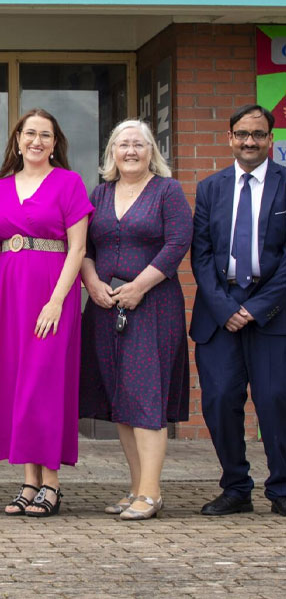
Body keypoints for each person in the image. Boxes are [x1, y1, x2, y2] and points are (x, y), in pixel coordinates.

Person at [0, 108, 92, 518]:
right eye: (30, 134)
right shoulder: (1, 188)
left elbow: (77, 248)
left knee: (43, 382)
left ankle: (52, 484)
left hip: (50, 290)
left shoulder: (69, 183)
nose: (36, 141)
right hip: (8, 294)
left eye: (45, 135)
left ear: (55, 142)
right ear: (18, 139)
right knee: (17, 382)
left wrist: (59, 300)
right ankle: (29, 482)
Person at [79, 120, 193, 520]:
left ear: (151, 152)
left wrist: (140, 286)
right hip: (105, 306)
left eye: (138, 145)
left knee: (146, 398)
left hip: (153, 306)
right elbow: (87, 247)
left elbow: (178, 242)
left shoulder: (167, 191)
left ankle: (152, 491)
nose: (130, 151)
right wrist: (91, 283)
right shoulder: (101, 192)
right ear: (112, 152)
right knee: (121, 400)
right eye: (123, 144)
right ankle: (135, 487)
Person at [190, 104, 286, 518]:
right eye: (242, 134)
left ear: (270, 138)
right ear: (229, 137)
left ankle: (281, 489)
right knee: (219, 400)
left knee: (275, 400)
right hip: (219, 314)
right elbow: (201, 254)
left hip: (273, 314)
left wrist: (255, 308)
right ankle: (235, 487)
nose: (250, 141)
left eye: (259, 134)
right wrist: (226, 307)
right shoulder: (211, 187)